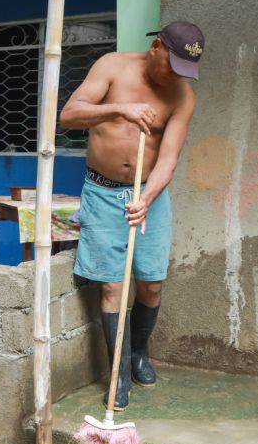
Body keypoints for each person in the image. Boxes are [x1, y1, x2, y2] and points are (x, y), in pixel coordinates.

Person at [60, 20, 204, 411]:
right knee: (111, 286)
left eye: (184, 71)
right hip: (102, 192)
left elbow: (169, 158)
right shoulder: (112, 66)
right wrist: (119, 110)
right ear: (156, 46)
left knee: (151, 283)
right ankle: (118, 371)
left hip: (149, 197)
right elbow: (69, 115)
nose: (175, 76)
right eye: (171, 65)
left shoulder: (182, 96)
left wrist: (147, 197)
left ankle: (139, 352)